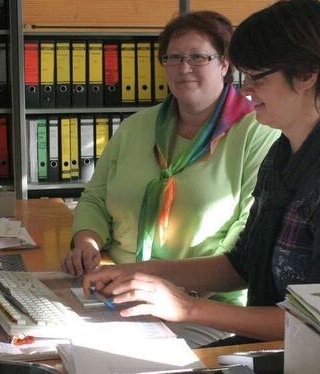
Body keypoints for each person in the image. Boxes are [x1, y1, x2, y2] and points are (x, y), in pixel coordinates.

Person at [82, 0, 320, 346]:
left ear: (307, 74)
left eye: (257, 77)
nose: (246, 89)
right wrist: (141, 273)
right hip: (280, 345)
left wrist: (187, 307)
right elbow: (242, 265)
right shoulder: (284, 152)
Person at [61, 11, 280, 308]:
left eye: (198, 57)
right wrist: (87, 241)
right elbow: (95, 197)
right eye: (173, 58)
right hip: (118, 283)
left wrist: (178, 290)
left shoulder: (257, 131)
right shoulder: (136, 126)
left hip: (206, 301)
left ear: (225, 64)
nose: (183, 67)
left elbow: (248, 231)